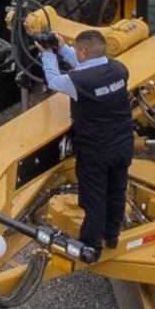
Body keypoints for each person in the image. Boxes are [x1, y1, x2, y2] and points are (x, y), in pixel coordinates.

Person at [38, 30, 133, 256]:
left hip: (96, 150)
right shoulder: (120, 69)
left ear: (83, 51)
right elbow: (87, 67)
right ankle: (111, 236)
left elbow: (53, 80)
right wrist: (63, 48)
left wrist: (48, 54)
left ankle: (91, 247)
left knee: (94, 199)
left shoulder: (78, 82)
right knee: (117, 191)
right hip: (123, 143)